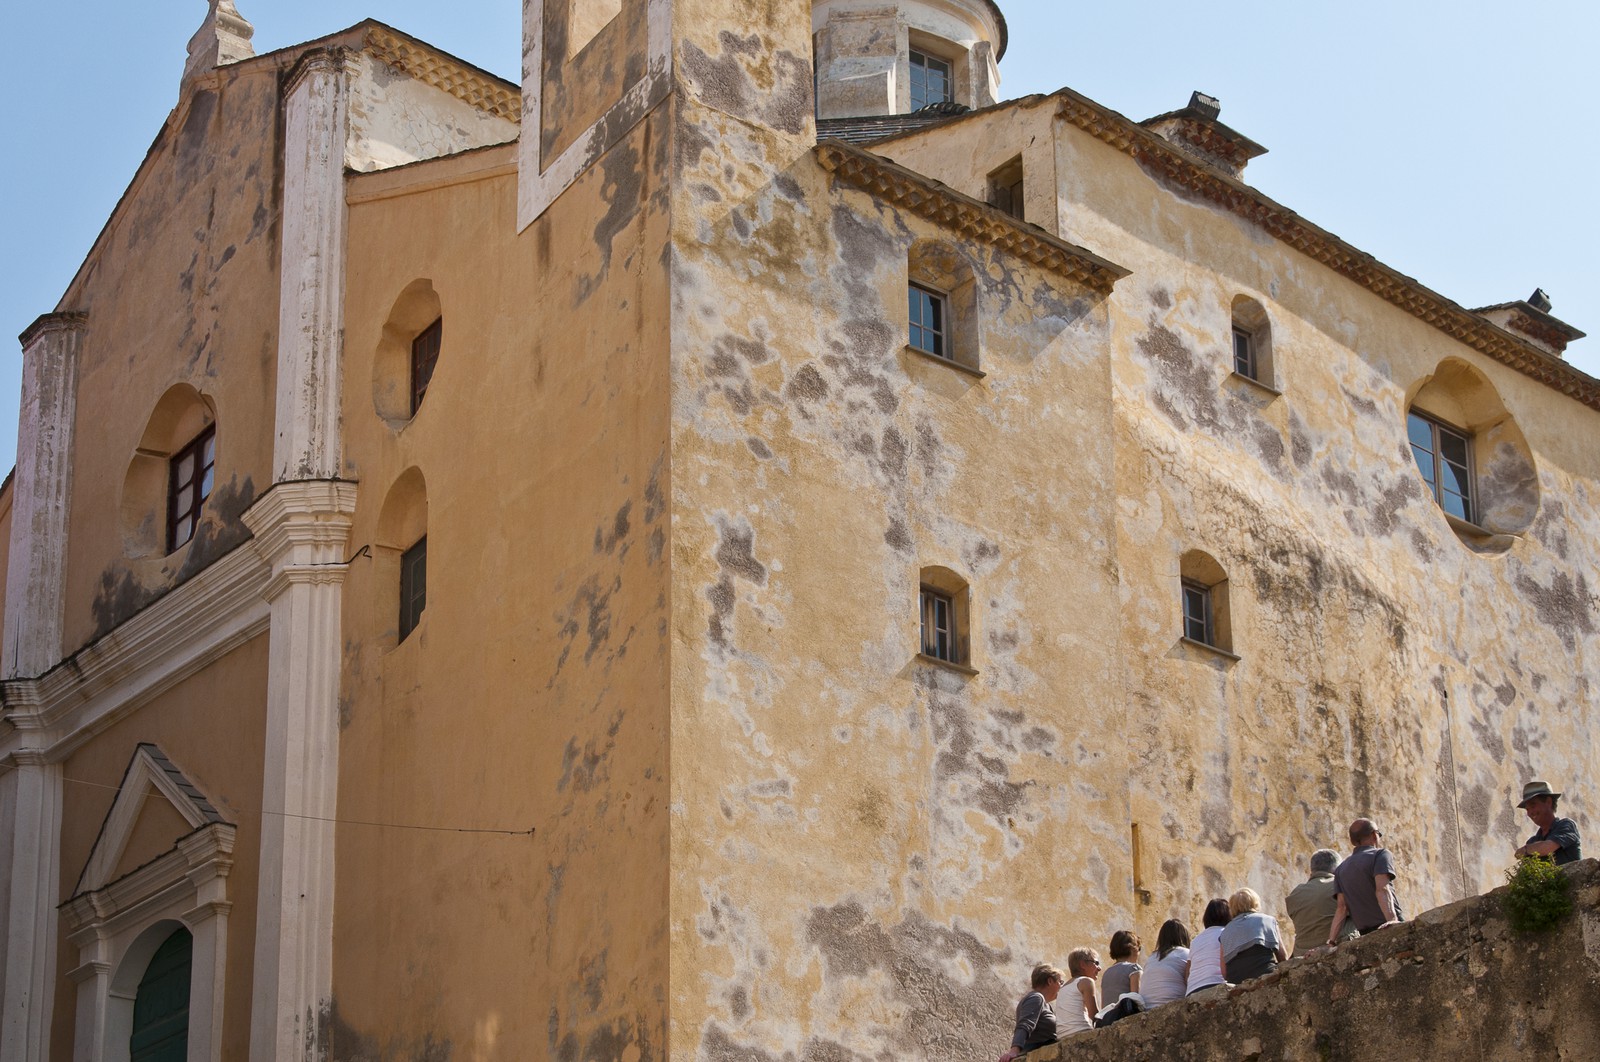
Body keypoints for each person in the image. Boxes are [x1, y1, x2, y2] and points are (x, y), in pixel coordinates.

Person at [1329, 818, 1402, 943]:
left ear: (1352, 841)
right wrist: (1393, 922)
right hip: (1386, 926)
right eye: (1379, 834)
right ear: (1374, 834)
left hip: (1365, 935)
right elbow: (1382, 889)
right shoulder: (1380, 855)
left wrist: (1331, 941)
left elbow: (1342, 908)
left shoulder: (1340, 869)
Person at [1286, 849, 1356, 957]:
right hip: (1337, 949)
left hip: (1302, 955)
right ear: (1337, 869)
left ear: (1312, 870)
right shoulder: (1340, 885)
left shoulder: (1295, 894)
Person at [1219, 888, 1288, 983]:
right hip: (1265, 975)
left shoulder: (1224, 932)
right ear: (1255, 903)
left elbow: (1224, 972)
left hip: (1236, 982)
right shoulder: (1267, 920)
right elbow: (1282, 956)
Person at [999, 964, 1064, 1062]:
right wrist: (1014, 1050)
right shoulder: (1036, 998)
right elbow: (1025, 1024)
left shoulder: (1047, 1005)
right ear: (1050, 981)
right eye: (1060, 982)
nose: (1061, 986)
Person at [1513, 780, 1583, 866]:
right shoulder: (1533, 841)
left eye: (1533, 806)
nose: (1530, 813)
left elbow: (1546, 848)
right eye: (1527, 809)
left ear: (1548, 802)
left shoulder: (1566, 825)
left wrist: (1525, 850)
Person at [1140, 919, 1192, 1008]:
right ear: (1184, 936)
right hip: (1173, 1006)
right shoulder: (1186, 953)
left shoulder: (1151, 958)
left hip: (1147, 1009)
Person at [1186, 898, 1232, 994]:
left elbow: (1187, 972)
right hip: (1216, 984)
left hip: (1192, 990)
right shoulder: (1227, 933)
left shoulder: (1195, 941)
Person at [1055, 949, 1101, 1037]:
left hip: (1062, 1036)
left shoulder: (1063, 988)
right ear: (1082, 964)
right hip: (1081, 1032)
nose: (1099, 968)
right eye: (1096, 963)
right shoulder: (1086, 981)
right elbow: (1094, 1015)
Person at [1100, 930, 1142, 1002]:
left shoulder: (1106, 973)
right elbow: (1137, 1000)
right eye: (1139, 949)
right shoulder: (1134, 969)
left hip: (1108, 1013)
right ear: (1133, 949)